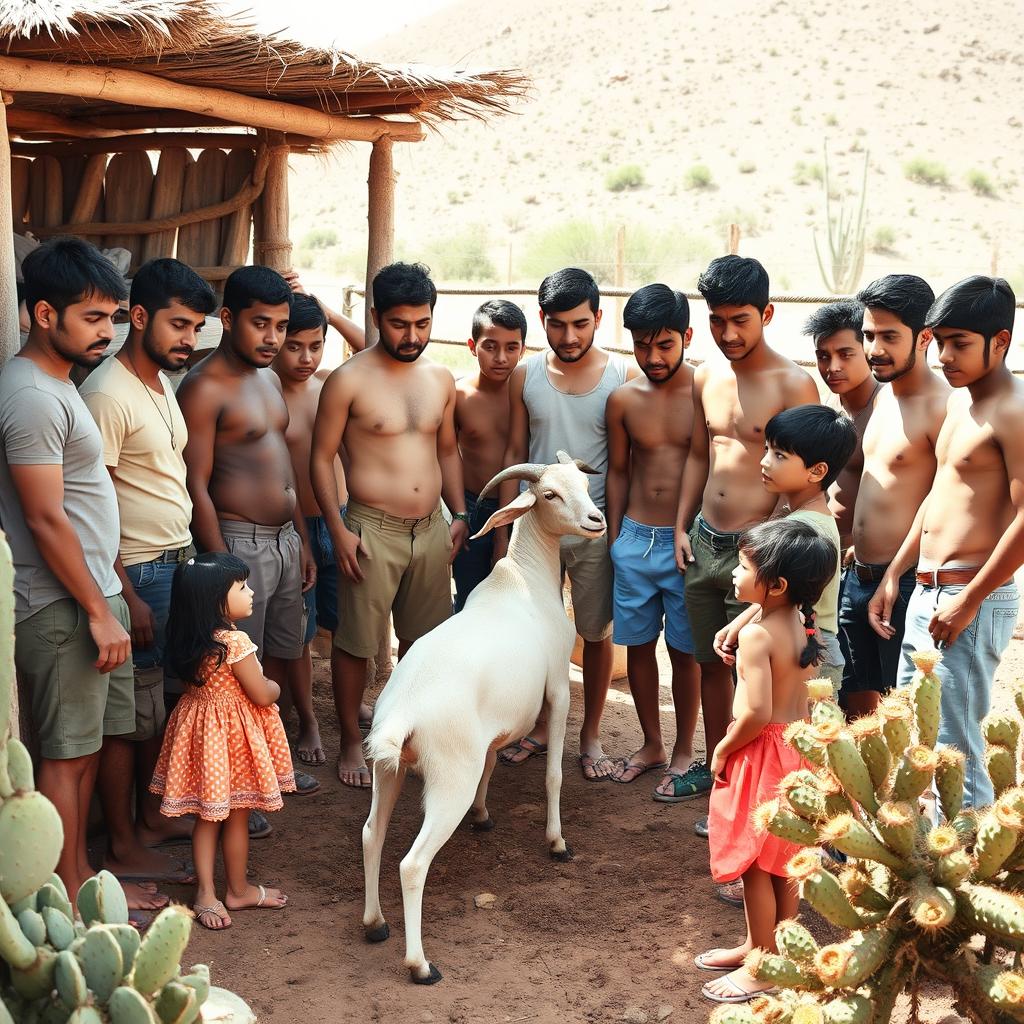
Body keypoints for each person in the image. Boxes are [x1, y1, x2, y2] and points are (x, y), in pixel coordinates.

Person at [80, 258, 215, 903]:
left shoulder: (160, 383)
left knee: (158, 703)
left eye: (195, 327)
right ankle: (126, 843)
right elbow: (91, 499)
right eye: (178, 325)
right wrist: (126, 592)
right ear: (139, 318)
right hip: (136, 570)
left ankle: (154, 819)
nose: (189, 339)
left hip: (174, 562)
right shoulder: (106, 393)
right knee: (127, 715)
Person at [0, 237, 132, 898]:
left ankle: (82, 880)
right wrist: (99, 611)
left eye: (112, 317)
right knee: (64, 756)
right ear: (44, 314)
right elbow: (46, 518)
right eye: (92, 318)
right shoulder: (29, 395)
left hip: (84, 597)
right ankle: (70, 902)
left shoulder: (57, 383)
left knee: (81, 756)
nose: (107, 332)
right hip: (59, 605)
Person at [674, 256, 819, 831]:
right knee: (709, 661)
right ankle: (721, 775)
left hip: (757, 556)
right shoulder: (705, 376)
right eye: (717, 321)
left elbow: (803, 480)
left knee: (754, 675)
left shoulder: (794, 383)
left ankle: (762, 793)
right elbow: (696, 453)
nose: (729, 334)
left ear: (768, 313)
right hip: (704, 541)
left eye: (741, 320)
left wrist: (769, 558)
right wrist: (682, 526)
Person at [310, 262, 469, 788]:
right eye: (400, 324)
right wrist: (337, 529)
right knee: (356, 642)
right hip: (369, 528)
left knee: (426, 642)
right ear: (376, 317)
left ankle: (416, 734)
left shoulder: (440, 378)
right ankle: (354, 743)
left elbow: (447, 448)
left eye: (422, 324)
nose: (412, 336)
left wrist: (460, 512)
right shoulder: (348, 380)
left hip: (430, 529)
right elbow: (319, 458)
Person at [871, 276, 1022, 809]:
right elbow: (938, 495)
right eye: (941, 342)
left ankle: (974, 883)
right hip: (927, 593)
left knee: (956, 750)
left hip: (968, 599)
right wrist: (895, 572)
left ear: (1000, 342)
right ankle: (928, 874)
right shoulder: (961, 402)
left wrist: (970, 600)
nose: (946, 356)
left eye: (962, 343)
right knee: (919, 740)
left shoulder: (1013, 410)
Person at [176, 265, 320, 813]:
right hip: (238, 544)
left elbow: (285, 471)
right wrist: (222, 567)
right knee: (238, 673)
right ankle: (236, 796)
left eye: (280, 326)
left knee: (284, 653)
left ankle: (271, 770)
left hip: (284, 539)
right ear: (228, 319)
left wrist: (302, 539)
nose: (273, 339)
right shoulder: (204, 388)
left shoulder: (267, 377)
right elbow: (197, 484)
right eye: (260, 324)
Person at [492, 267, 635, 780]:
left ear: (599, 317)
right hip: (537, 528)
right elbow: (515, 451)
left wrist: (614, 534)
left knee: (595, 633)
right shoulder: (524, 375)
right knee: (534, 630)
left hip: (593, 527)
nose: (569, 336)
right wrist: (503, 534)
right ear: (542, 320)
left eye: (580, 323)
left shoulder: (623, 376)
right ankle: (538, 726)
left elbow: (622, 466)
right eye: (557, 324)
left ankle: (590, 732)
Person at [696, 518, 836, 1003]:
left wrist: (722, 747)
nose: (735, 574)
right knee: (783, 862)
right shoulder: (801, 623)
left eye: (743, 566)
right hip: (796, 751)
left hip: (762, 754)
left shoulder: (757, 636)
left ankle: (761, 966)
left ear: (775, 585)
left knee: (756, 866)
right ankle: (771, 946)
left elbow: (754, 712)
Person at [151, 553, 294, 930]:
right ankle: (238, 888)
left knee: (206, 819)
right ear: (216, 600)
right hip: (231, 740)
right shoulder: (234, 642)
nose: (252, 592)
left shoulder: (189, 638)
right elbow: (261, 694)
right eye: (242, 587)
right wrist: (277, 686)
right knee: (237, 816)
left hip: (201, 737)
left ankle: (206, 894)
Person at [605, 284, 701, 799]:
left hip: (685, 543)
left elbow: (708, 463)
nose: (653, 356)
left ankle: (685, 748)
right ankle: (651, 744)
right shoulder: (624, 399)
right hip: (635, 540)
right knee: (637, 646)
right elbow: (619, 472)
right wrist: (616, 535)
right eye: (642, 344)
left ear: (686, 336)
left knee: (684, 652)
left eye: (664, 344)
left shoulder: (704, 393)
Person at [839, 275, 949, 717]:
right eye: (868, 335)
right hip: (858, 573)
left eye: (889, 336)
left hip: (902, 581)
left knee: (900, 705)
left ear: (924, 337)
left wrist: (894, 573)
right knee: (852, 697)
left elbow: (941, 501)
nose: (874, 348)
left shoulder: (944, 405)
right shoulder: (882, 398)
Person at [715, 405, 858, 690]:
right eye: (767, 450)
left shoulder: (808, 530)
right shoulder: (807, 517)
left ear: (816, 471)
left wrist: (741, 623)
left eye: (780, 455)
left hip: (808, 644)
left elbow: (787, 599)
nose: (765, 462)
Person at [271, 292, 340, 766]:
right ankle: (308, 720)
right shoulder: (264, 395)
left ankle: (349, 702)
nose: (305, 357)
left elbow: (377, 345)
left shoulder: (330, 386)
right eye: (294, 345)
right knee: (299, 631)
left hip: (341, 522)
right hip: (294, 526)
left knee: (345, 623)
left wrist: (329, 313)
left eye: (315, 345)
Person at [453, 299, 528, 610]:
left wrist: (505, 531)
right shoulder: (459, 396)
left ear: (524, 349)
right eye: (490, 346)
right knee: (472, 598)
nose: (501, 358)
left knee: (516, 600)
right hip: (473, 508)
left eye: (512, 348)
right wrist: (456, 512)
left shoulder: (529, 393)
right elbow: (445, 455)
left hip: (524, 509)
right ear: (473, 346)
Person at [804, 299, 880, 551]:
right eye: (823, 356)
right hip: (822, 552)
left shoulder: (887, 411)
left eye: (845, 354)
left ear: (868, 349)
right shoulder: (827, 405)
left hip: (866, 560)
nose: (832, 367)